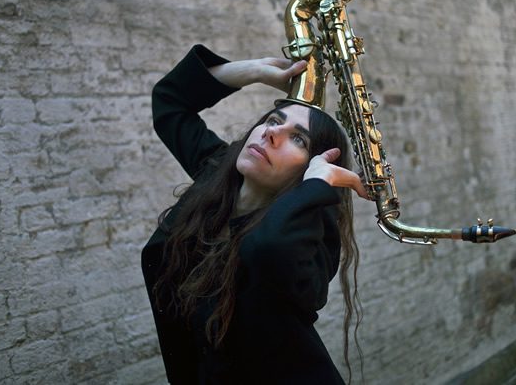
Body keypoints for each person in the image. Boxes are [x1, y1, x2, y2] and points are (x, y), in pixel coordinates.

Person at [142, 44, 367, 384]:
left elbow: (266, 250)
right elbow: (170, 101)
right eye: (274, 120)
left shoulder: (308, 238)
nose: (272, 133)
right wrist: (258, 71)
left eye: (299, 140)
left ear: (312, 171)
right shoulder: (216, 175)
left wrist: (318, 186)